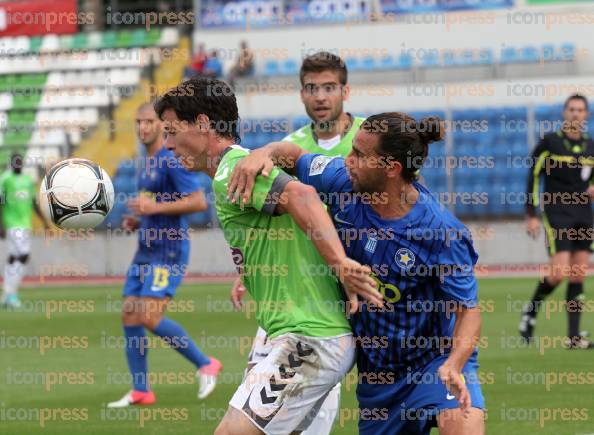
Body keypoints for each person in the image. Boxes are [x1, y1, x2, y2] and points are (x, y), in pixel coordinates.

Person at [228, 112, 486, 434]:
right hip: (378, 376)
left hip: (434, 361)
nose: (347, 160)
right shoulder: (341, 181)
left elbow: (469, 311)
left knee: (462, 423)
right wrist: (263, 153)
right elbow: (293, 156)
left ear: (391, 168)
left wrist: (455, 363)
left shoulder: (440, 232)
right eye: (352, 150)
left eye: (360, 155)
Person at [154, 77, 382, 435]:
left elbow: (303, 197)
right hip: (299, 336)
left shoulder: (233, 168)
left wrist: (340, 265)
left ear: (202, 124)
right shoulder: (240, 167)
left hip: (310, 340)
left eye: (170, 131)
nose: (166, 144)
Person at [231, 51, 365, 435]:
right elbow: (270, 215)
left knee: (313, 412)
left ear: (345, 90)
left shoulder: (370, 141)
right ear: (301, 94)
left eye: (328, 87)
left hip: (343, 293)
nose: (320, 96)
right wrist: (248, 270)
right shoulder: (288, 147)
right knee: (257, 403)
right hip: (290, 292)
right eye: (311, 88)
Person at [107, 102, 221, 408]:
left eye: (149, 121)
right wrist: (139, 219)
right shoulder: (146, 162)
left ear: (161, 125)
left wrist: (153, 209)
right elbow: (153, 204)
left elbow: (198, 202)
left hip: (168, 252)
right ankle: (142, 390)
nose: (143, 128)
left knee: (149, 316)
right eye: (138, 122)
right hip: (145, 249)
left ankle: (205, 363)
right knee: (130, 314)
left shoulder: (171, 160)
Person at [520, 93, 594, 349]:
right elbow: (533, 175)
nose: (576, 113)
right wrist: (531, 214)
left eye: (580, 110)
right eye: (571, 109)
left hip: (584, 214)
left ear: (586, 115)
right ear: (565, 112)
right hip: (557, 212)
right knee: (560, 272)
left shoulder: (590, 145)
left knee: (578, 274)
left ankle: (574, 337)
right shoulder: (550, 142)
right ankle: (531, 310)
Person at [0, 153, 49, 308]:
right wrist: (0, 225)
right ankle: (12, 294)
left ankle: (7, 295)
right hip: (12, 224)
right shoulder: (5, 179)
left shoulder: (28, 180)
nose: (17, 164)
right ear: (11, 163)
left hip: (26, 224)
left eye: (20, 161)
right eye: (15, 162)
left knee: (14, 257)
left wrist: (44, 221)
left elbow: (34, 202)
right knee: (24, 255)